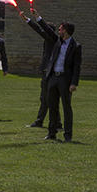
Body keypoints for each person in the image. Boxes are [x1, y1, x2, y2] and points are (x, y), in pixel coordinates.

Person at [32, 11, 82, 142]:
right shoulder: (57, 41)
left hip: (65, 80)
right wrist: (36, 17)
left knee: (66, 108)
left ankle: (68, 135)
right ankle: (51, 133)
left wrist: (73, 83)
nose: (58, 31)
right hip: (53, 77)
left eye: (60, 29)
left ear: (65, 31)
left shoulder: (76, 47)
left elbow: (77, 67)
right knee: (53, 106)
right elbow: (46, 29)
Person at [19, 9, 61, 130]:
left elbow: (39, 29)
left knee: (47, 98)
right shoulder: (50, 40)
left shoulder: (52, 39)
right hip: (46, 70)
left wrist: (28, 19)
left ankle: (44, 122)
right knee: (46, 98)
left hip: (49, 71)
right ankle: (51, 122)